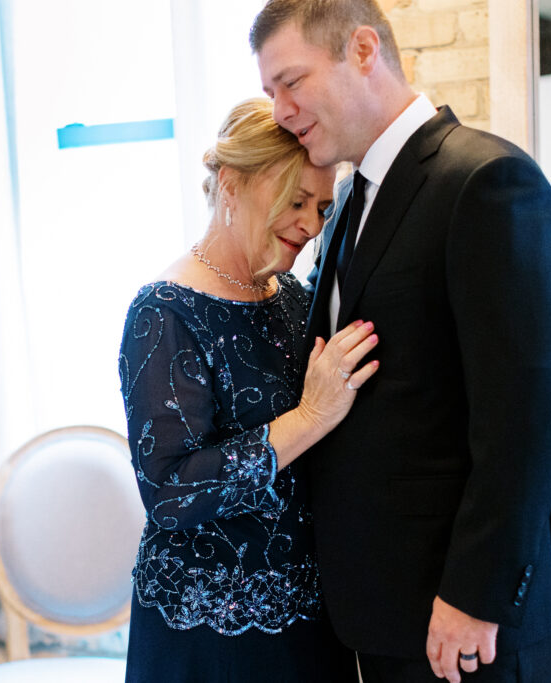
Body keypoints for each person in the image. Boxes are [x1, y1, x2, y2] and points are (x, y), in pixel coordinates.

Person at [251, 3, 551, 681]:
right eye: (268, 93)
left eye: (292, 81)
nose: (280, 110)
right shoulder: (348, 201)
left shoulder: (484, 181)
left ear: (364, 49)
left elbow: (528, 414)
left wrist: (473, 593)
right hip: (379, 608)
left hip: (463, 618)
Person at [118, 97, 378, 682]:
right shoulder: (163, 312)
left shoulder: (290, 298)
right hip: (209, 638)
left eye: (321, 207)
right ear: (232, 183)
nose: (312, 226)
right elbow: (168, 491)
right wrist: (310, 416)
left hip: (310, 624)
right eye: (295, 201)